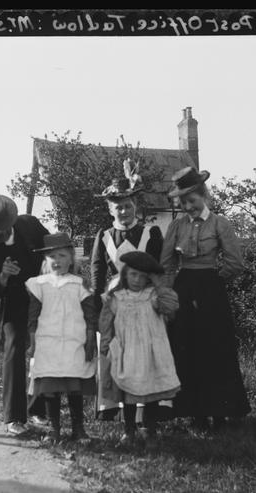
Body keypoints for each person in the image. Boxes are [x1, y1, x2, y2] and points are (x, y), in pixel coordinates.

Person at [161, 167, 251, 431]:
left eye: (192, 201)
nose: (188, 206)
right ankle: (195, 414)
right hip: (183, 289)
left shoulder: (220, 223)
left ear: (204, 196)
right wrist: (167, 295)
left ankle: (220, 412)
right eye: (183, 202)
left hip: (211, 290)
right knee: (186, 349)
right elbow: (166, 264)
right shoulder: (176, 226)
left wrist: (213, 282)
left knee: (215, 350)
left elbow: (235, 262)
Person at [90, 159, 176, 422]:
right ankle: (114, 407)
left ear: (135, 207)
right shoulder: (104, 237)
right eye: (118, 208)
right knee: (117, 352)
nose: (124, 212)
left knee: (146, 352)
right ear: (110, 210)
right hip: (116, 302)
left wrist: (160, 296)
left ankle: (147, 412)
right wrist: (97, 306)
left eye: (128, 206)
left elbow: (161, 268)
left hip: (144, 301)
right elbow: (97, 274)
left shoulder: (150, 233)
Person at [0, 194, 50, 437]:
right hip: (9, 300)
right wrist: (3, 277)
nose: (0, 235)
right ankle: (14, 417)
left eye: (3, 230)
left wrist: (50, 265)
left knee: (44, 347)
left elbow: (56, 248)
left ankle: (38, 408)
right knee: (14, 348)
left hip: (41, 295)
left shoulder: (30, 225)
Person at [98, 251, 180, 449]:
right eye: (133, 274)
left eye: (143, 276)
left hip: (151, 353)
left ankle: (150, 430)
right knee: (128, 393)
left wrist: (158, 284)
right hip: (126, 352)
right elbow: (105, 324)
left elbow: (171, 308)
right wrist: (105, 348)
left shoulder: (153, 296)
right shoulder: (116, 297)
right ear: (125, 274)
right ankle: (129, 431)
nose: (137, 280)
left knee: (149, 393)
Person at [26, 233, 98, 443]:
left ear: (71, 259)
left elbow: (90, 315)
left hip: (74, 342)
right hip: (48, 342)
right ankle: (54, 428)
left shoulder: (80, 284)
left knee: (73, 384)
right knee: (50, 386)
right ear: (45, 261)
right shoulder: (39, 284)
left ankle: (78, 428)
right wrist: (32, 340)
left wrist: (90, 339)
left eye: (62, 255)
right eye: (52, 257)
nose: (57, 261)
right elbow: (33, 315)